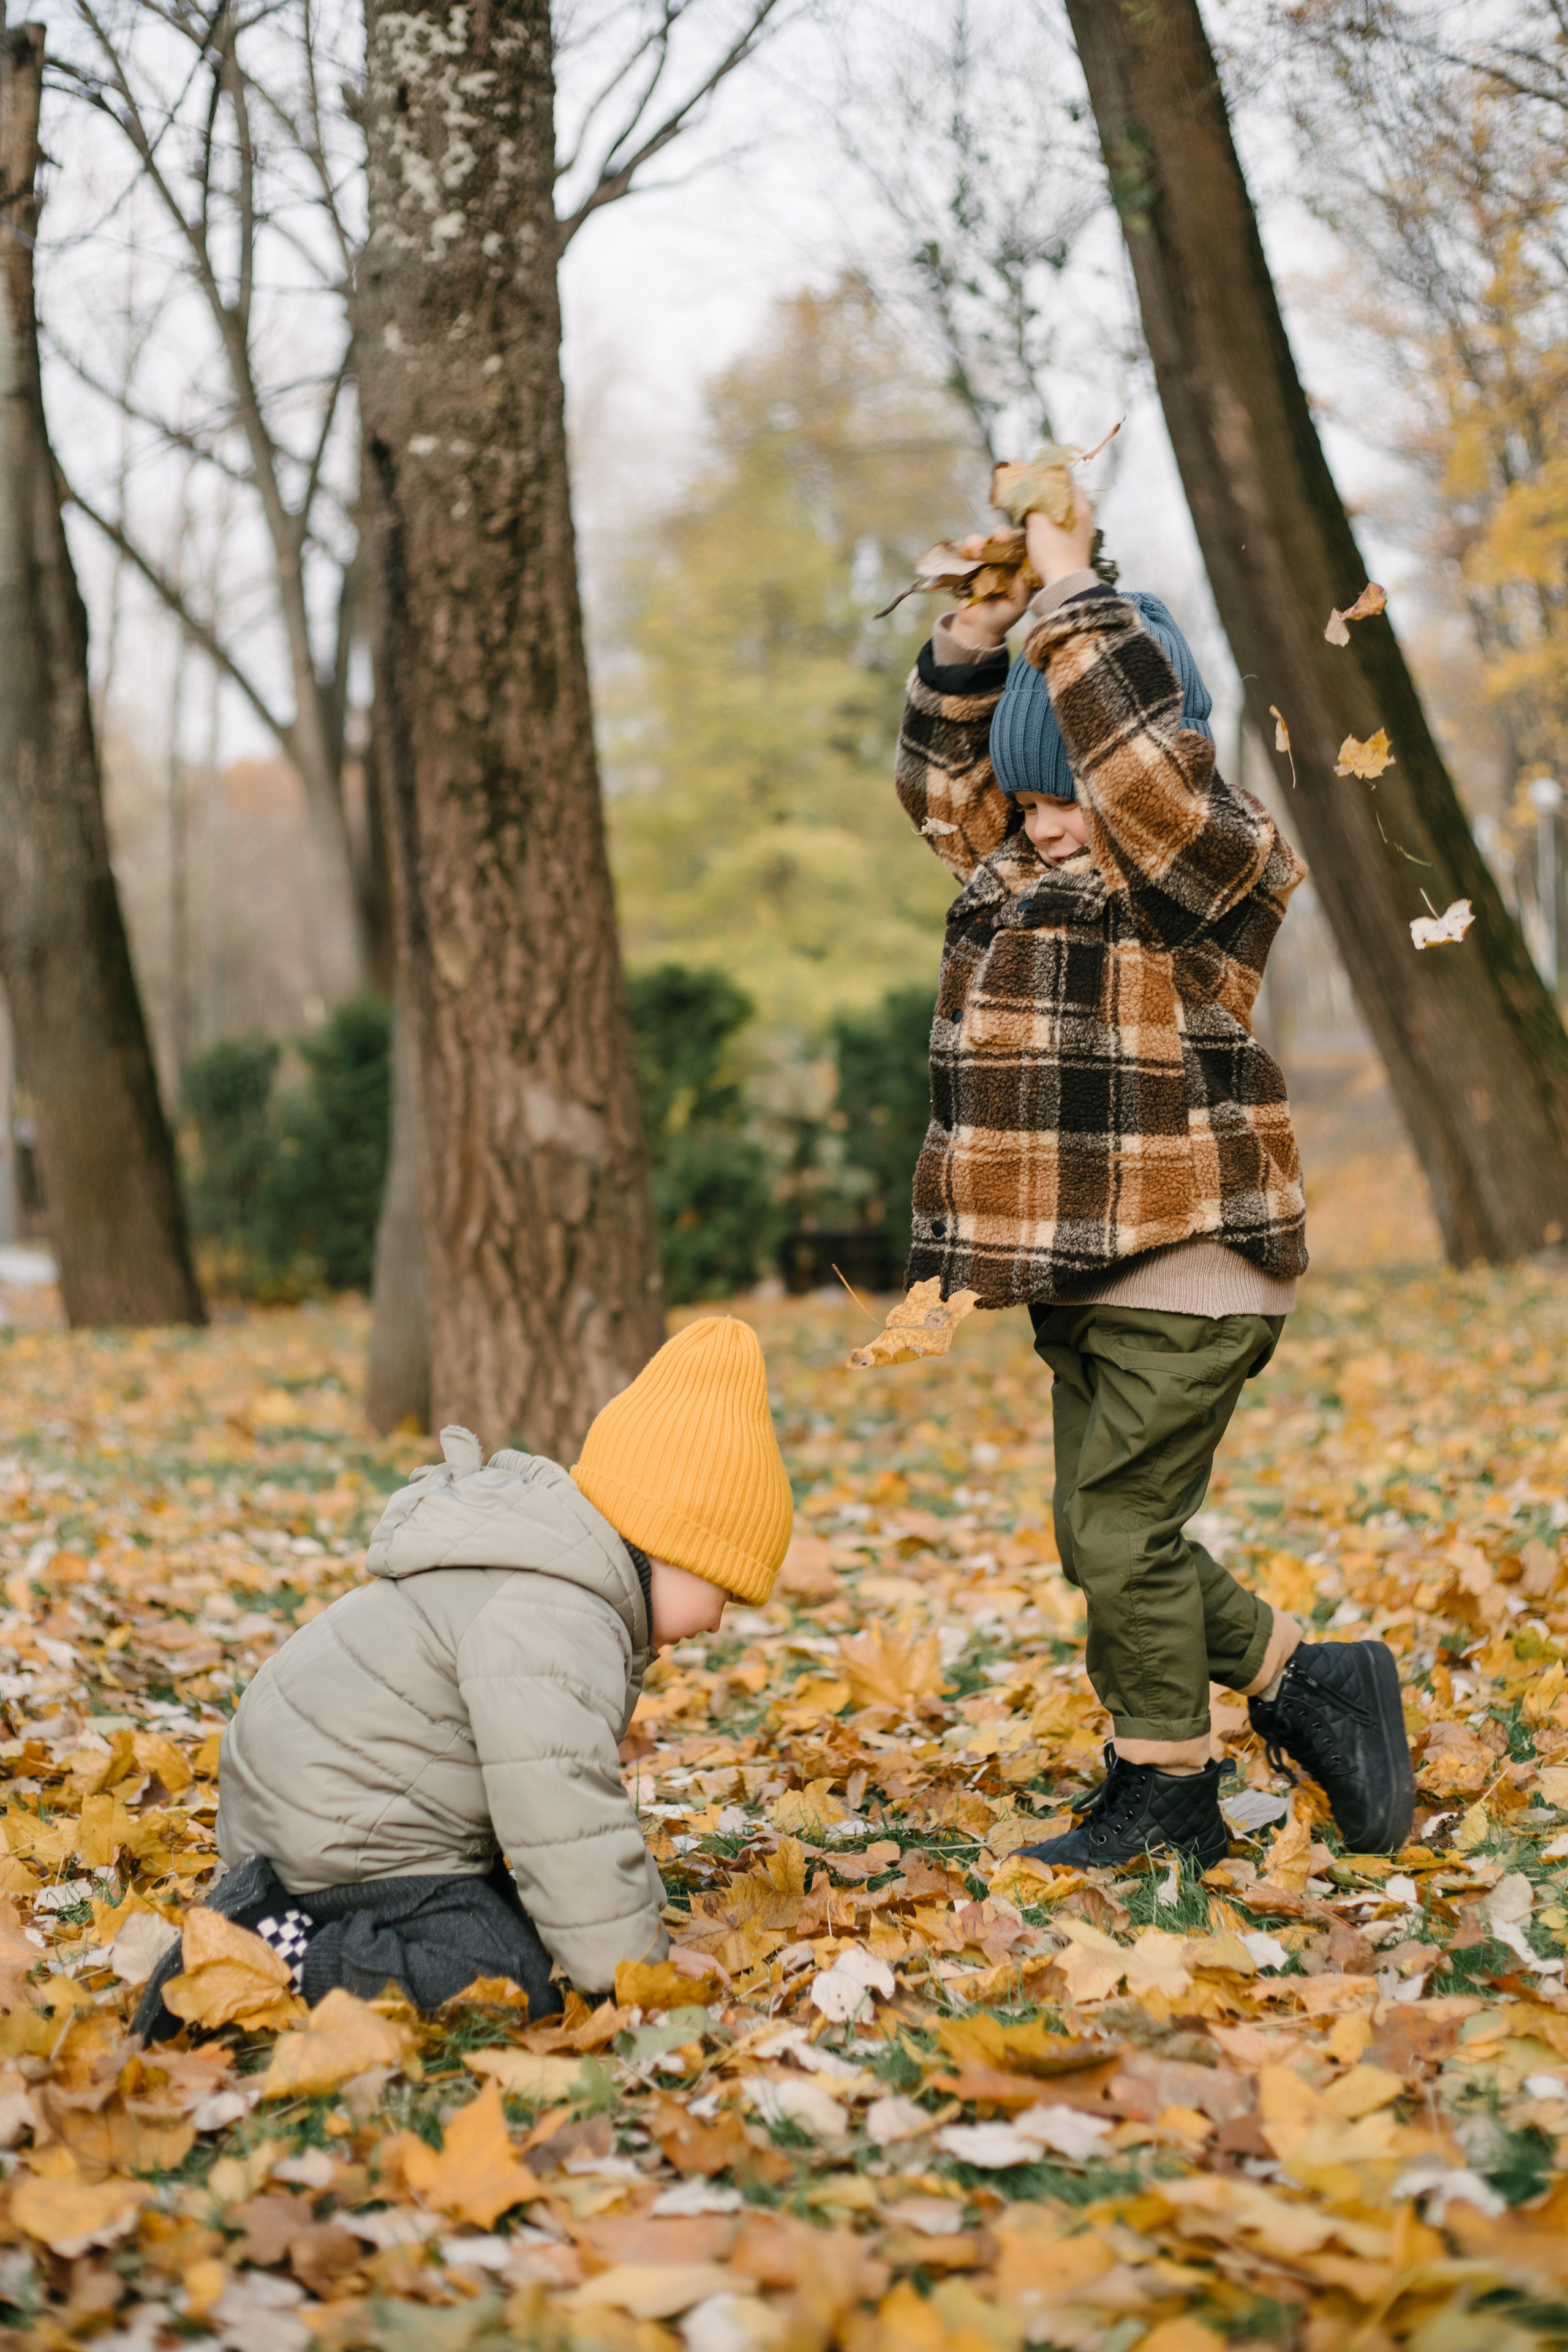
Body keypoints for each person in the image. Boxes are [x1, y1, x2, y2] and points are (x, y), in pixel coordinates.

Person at [895, 486, 1414, 1867]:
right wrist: (978, 639)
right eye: (1027, 799)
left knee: (1121, 1533)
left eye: (1066, 795)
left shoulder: (1204, 868)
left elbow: (1139, 776)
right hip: (1079, 1269)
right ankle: (1307, 1676)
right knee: (1103, 1538)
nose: (1048, 823)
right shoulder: (1020, 873)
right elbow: (941, 796)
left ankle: (1166, 1791)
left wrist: (1075, 599)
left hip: (1190, 1264)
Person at [135, 1317, 793, 2035]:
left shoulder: (557, 1578)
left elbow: (568, 1825)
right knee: (505, 1981)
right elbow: (558, 1803)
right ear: (676, 1543)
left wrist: (640, 1932)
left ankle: (285, 1916)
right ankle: (269, 1949)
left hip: (346, 1810)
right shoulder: (557, 1614)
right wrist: (634, 1971)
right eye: (725, 1590)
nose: (717, 1622)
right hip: (344, 1834)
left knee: (534, 1934)